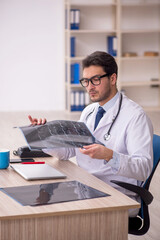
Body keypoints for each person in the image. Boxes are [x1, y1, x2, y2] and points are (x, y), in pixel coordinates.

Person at [28, 51, 153, 217]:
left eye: (95, 80)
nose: (89, 87)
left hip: (118, 193)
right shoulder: (89, 111)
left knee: (55, 214)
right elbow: (68, 151)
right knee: (38, 203)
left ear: (113, 78)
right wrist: (44, 137)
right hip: (86, 186)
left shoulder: (136, 116)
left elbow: (143, 168)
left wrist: (109, 155)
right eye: (86, 81)